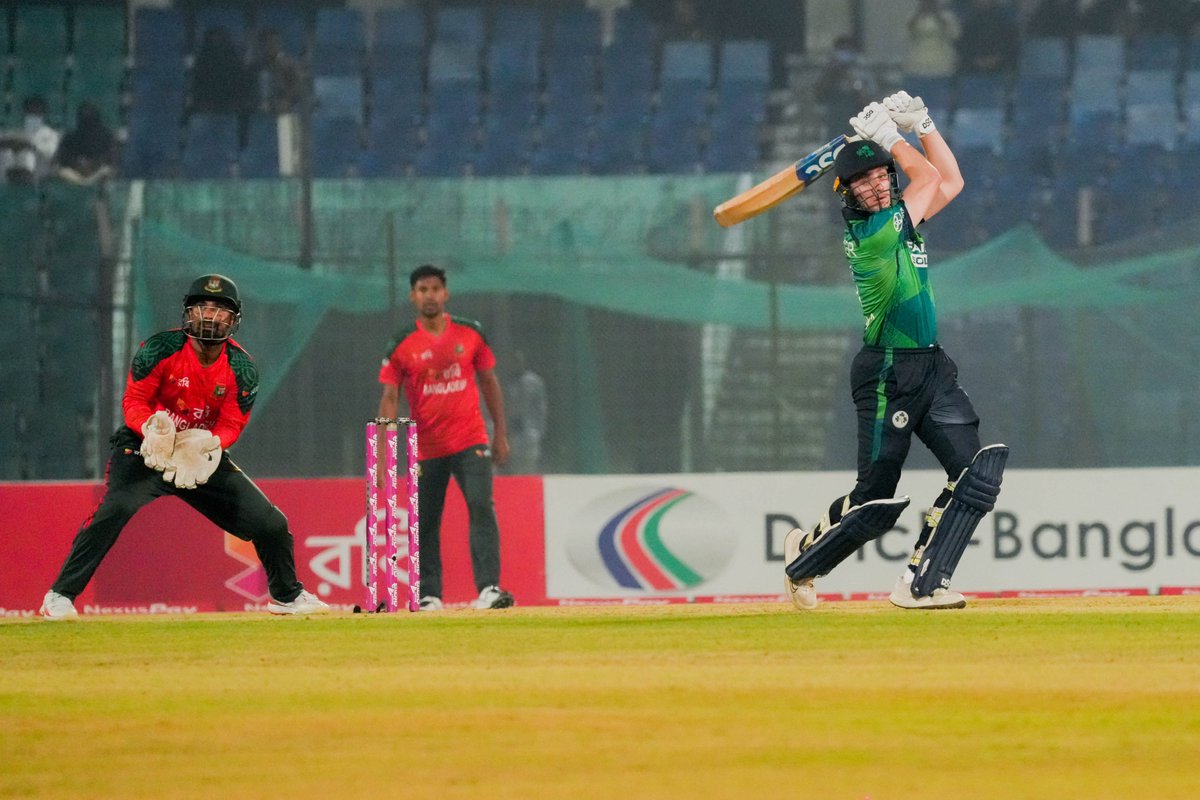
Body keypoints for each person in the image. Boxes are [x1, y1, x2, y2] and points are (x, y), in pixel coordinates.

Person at [782, 94, 1008, 611]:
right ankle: (807, 560)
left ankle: (922, 582)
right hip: (887, 371)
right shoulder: (872, 236)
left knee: (977, 471)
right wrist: (892, 138)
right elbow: (926, 181)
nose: (876, 184)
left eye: (882, 174)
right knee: (876, 499)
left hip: (932, 365)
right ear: (849, 196)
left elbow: (949, 181)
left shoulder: (904, 221)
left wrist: (923, 125)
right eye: (862, 182)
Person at [39, 274, 329, 619]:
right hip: (147, 447)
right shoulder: (158, 350)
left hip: (197, 455)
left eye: (220, 310)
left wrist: (211, 444)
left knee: (271, 524)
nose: (210, 316)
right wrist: (149, 427)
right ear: (187, 314)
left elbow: (232, 423)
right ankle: (59, 596)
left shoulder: (242, 369)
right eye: (202, 308)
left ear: (233, 320)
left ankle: (287, 595)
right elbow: (134, 400)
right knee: (114, 511)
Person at [377, 264, 515, 611]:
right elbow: (390, 397)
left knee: (482, 507)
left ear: (446, 293)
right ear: (413, 296)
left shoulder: (471, 333)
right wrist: (384, 455)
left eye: (435, 289)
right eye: (422, 290)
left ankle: (489, 589)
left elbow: (489, 382)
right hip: (426, 447)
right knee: (426, 520)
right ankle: (428, 594)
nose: (429, 296)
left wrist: (500, 432)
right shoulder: (402, 342)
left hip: (472, 440)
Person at [814, 36, 878, 133]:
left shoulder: (862, 71)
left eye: (847, 49)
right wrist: (830, 72)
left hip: (856, 118)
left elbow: (867, 99)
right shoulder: (828, 70)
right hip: (834, 121)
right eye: (841, 49)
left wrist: (851, 80)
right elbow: (818, 94)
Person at [504, 350, 548, 475]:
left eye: (519, 360)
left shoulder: (534, 382)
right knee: (515, 463)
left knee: (530, 461)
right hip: (514, 430)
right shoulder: (508, 383)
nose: (517, 363)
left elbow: (541, 407)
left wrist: (539, 430)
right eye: (514, 361)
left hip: (530, 430)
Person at [0, 95, 61, 184]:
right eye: (30, 111)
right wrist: (11, 144)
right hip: (8, 174)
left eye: (37, 111)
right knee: (6, 152)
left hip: (37, 175)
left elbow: (50, 152)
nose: (33, 113)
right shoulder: (11, 131)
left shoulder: (51, 134)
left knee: (29, 152)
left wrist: (29, 145)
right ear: (24, 111)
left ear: (43, 113)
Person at [54, 102, 118, 185]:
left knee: (108, 172)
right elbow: (62, 158)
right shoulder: (70, 138)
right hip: (75, 174)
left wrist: (94, 163)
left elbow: (112, 157)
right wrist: (78, 163)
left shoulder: (107, 137)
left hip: (99, 172)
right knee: (62, 172)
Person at [249, 27, 307, 115]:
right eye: (268, 43)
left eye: (275, 42)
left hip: (286, 112)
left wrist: (287, 101)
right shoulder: (255, 67)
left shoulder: (291, 65)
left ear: (280, 44)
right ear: (261, 45)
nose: (272, 46)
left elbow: (299, 88)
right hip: (258, 112)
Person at [956, 0, 1019, 73]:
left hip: (1000, 71)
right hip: (972, 70)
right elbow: (964, 47)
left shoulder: (1005, 23)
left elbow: (1010, 45)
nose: (983, 2)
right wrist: (976, 60)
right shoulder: (967, 24)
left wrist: (996, 59)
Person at [905, 0, 960, 79]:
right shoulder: (913, 17)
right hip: (918, 59)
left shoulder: (947, 17)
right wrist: (914, 21)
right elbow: (905, 35)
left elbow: (955, 35)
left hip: (942, 59)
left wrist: (941, 20)